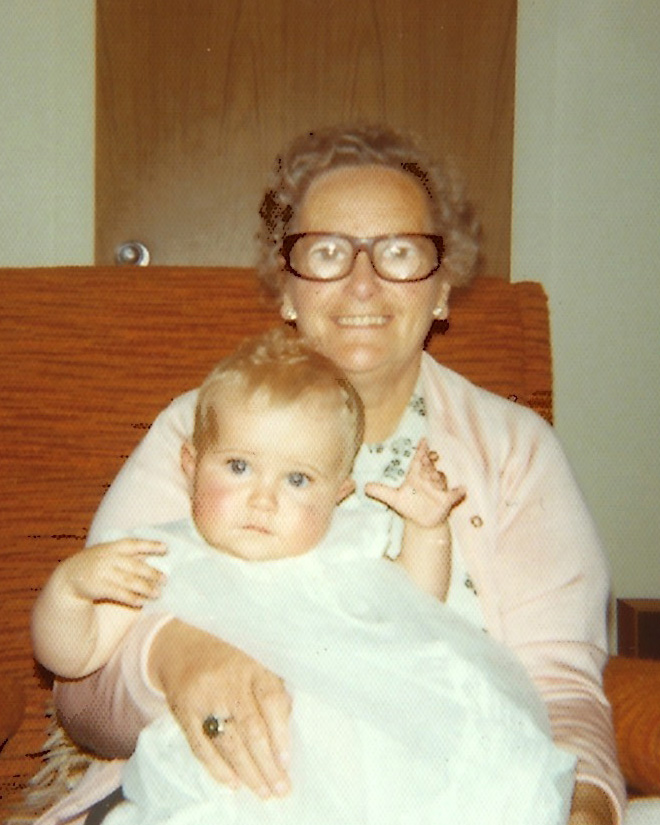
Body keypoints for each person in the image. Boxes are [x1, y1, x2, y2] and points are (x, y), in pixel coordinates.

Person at [49, 124, 625, 825]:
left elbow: (560, 686)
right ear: (288, 289)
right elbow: (81, 687)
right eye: (326, 252)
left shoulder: (515, 450)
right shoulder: (198, 428)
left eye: (400, 253)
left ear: (441, 291)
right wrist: (175, 656)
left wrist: (586, 805)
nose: (362, 281)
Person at [32, 329, 576, 825]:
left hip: (359, 779)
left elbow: (415, 602)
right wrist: (70, 590)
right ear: (190, 464)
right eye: (239, 467)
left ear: (338, 496)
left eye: (297, 479)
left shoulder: (338, 555)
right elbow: (72, 657)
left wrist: (426, 528)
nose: (263, 498)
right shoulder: (162, 555)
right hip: (229, 773)